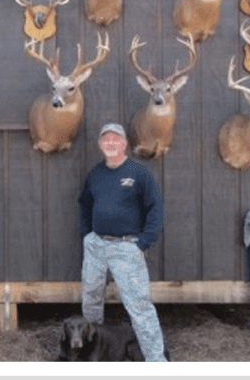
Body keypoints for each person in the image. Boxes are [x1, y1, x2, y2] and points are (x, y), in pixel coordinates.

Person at [78, 123, 168, 362]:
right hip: (96, 245)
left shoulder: (138, 173)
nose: (110, 143)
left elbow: (155, 209)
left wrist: (143, 242)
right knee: (91, 301)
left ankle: (156, 360)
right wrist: (88, 235)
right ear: (100, 145)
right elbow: (85, 204)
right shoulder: (95, 174)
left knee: (139, 305)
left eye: (115, 139)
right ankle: (92, 352)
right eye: (105, 139)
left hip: (126, 247)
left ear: (124, 143)